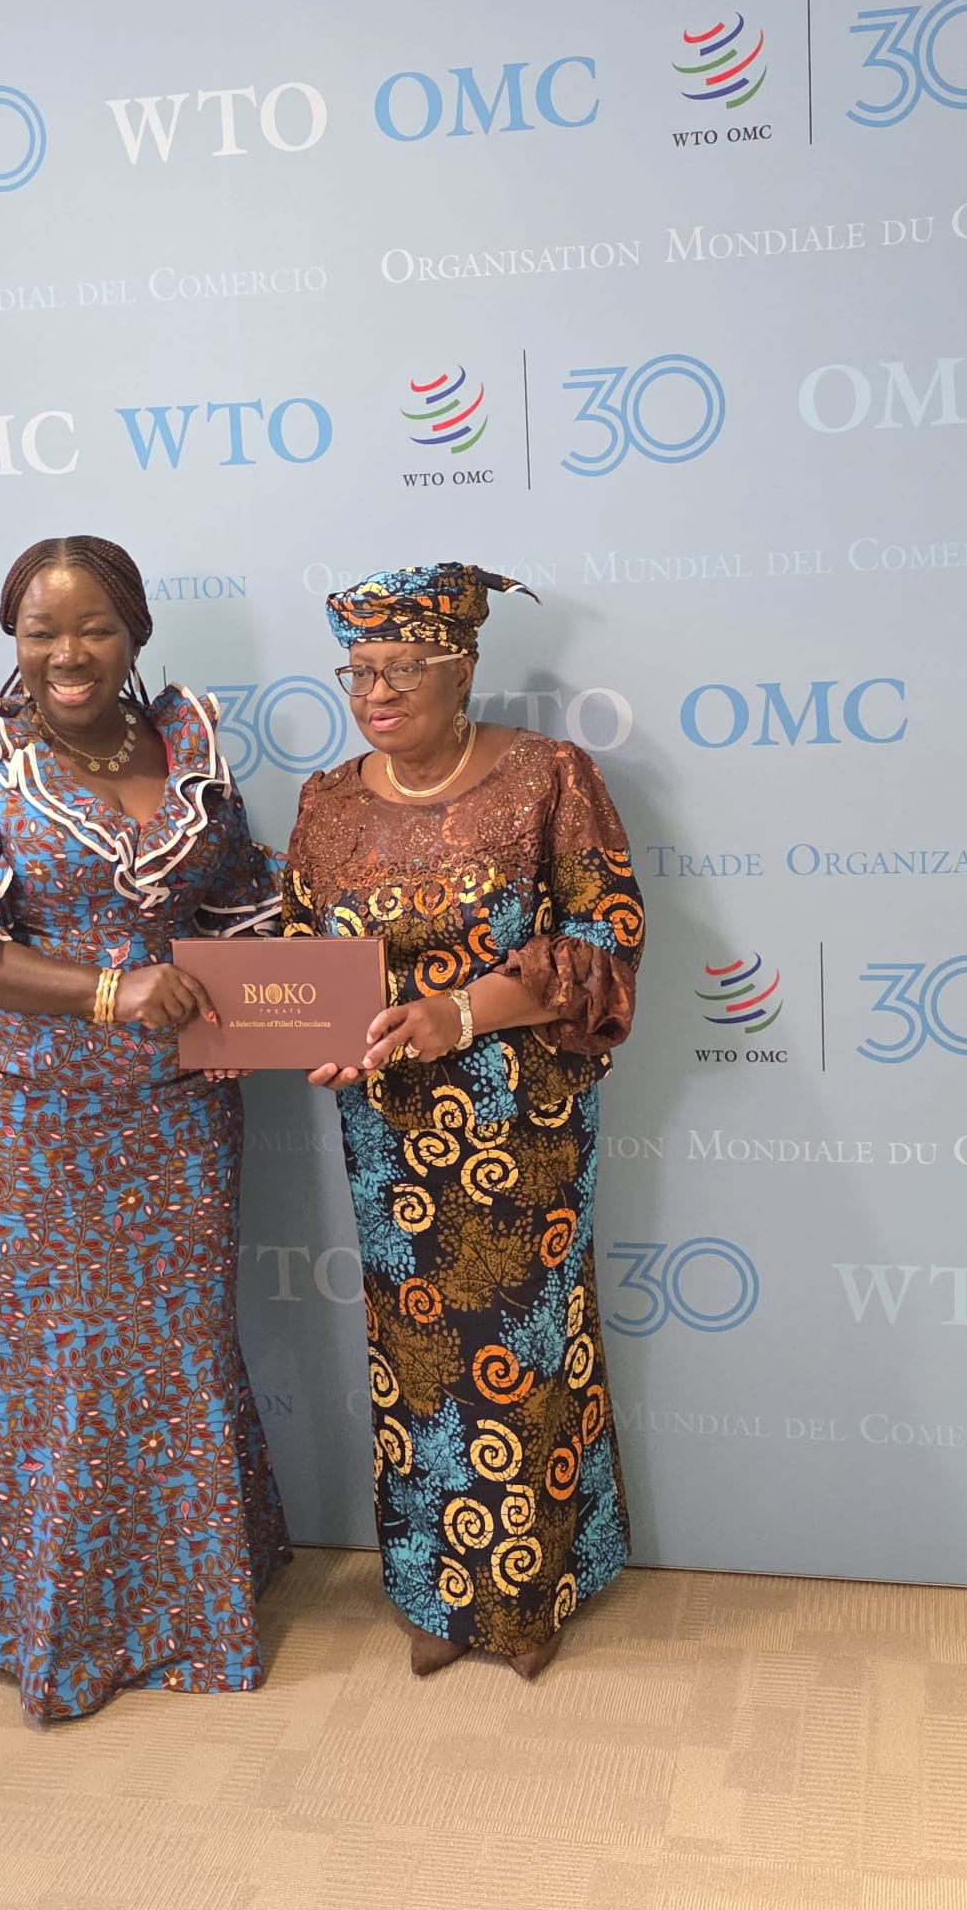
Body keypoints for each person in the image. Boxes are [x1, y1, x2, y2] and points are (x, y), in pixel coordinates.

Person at [0, 535, 290, 1720]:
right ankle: (50, 1625)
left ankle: (199, 1611)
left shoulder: (188, 746)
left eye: (91, 626)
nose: (65, 653)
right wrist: (112, 989)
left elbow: (241, 903)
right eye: (40, 630)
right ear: (14, 640)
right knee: (50, 1367)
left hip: (182, 1112)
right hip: (24, 1118)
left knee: (178, 1352)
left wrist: (320, 1006)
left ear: (134, 631)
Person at [282, 562, 643, 1680]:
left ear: (463, 665)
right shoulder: (328, 800)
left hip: (520, 1124)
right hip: (389, 1129)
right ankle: (437, 1591)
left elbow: (603, 941)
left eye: (401, 667)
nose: (375, 690)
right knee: (418, 1352)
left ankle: (531, 1594)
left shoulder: (549, 777)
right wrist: (314, 1028)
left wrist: (460, 1012)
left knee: (529, 1351)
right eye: (358, 669)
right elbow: (303, 943)